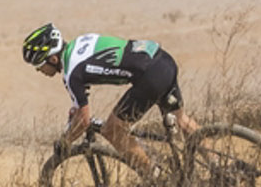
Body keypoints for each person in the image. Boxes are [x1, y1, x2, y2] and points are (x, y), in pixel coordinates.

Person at [21, 24, 199, 177]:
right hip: (161, 59)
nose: (39, 71)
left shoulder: (70, 73)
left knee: (112, 130)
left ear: (52, 58)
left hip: (150, 76)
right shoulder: (79, 43)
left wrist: (65, 142)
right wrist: (77, 108)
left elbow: (83, 121)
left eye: (39, 66)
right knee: (182, 121)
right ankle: (219, 169)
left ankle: (155, 179)